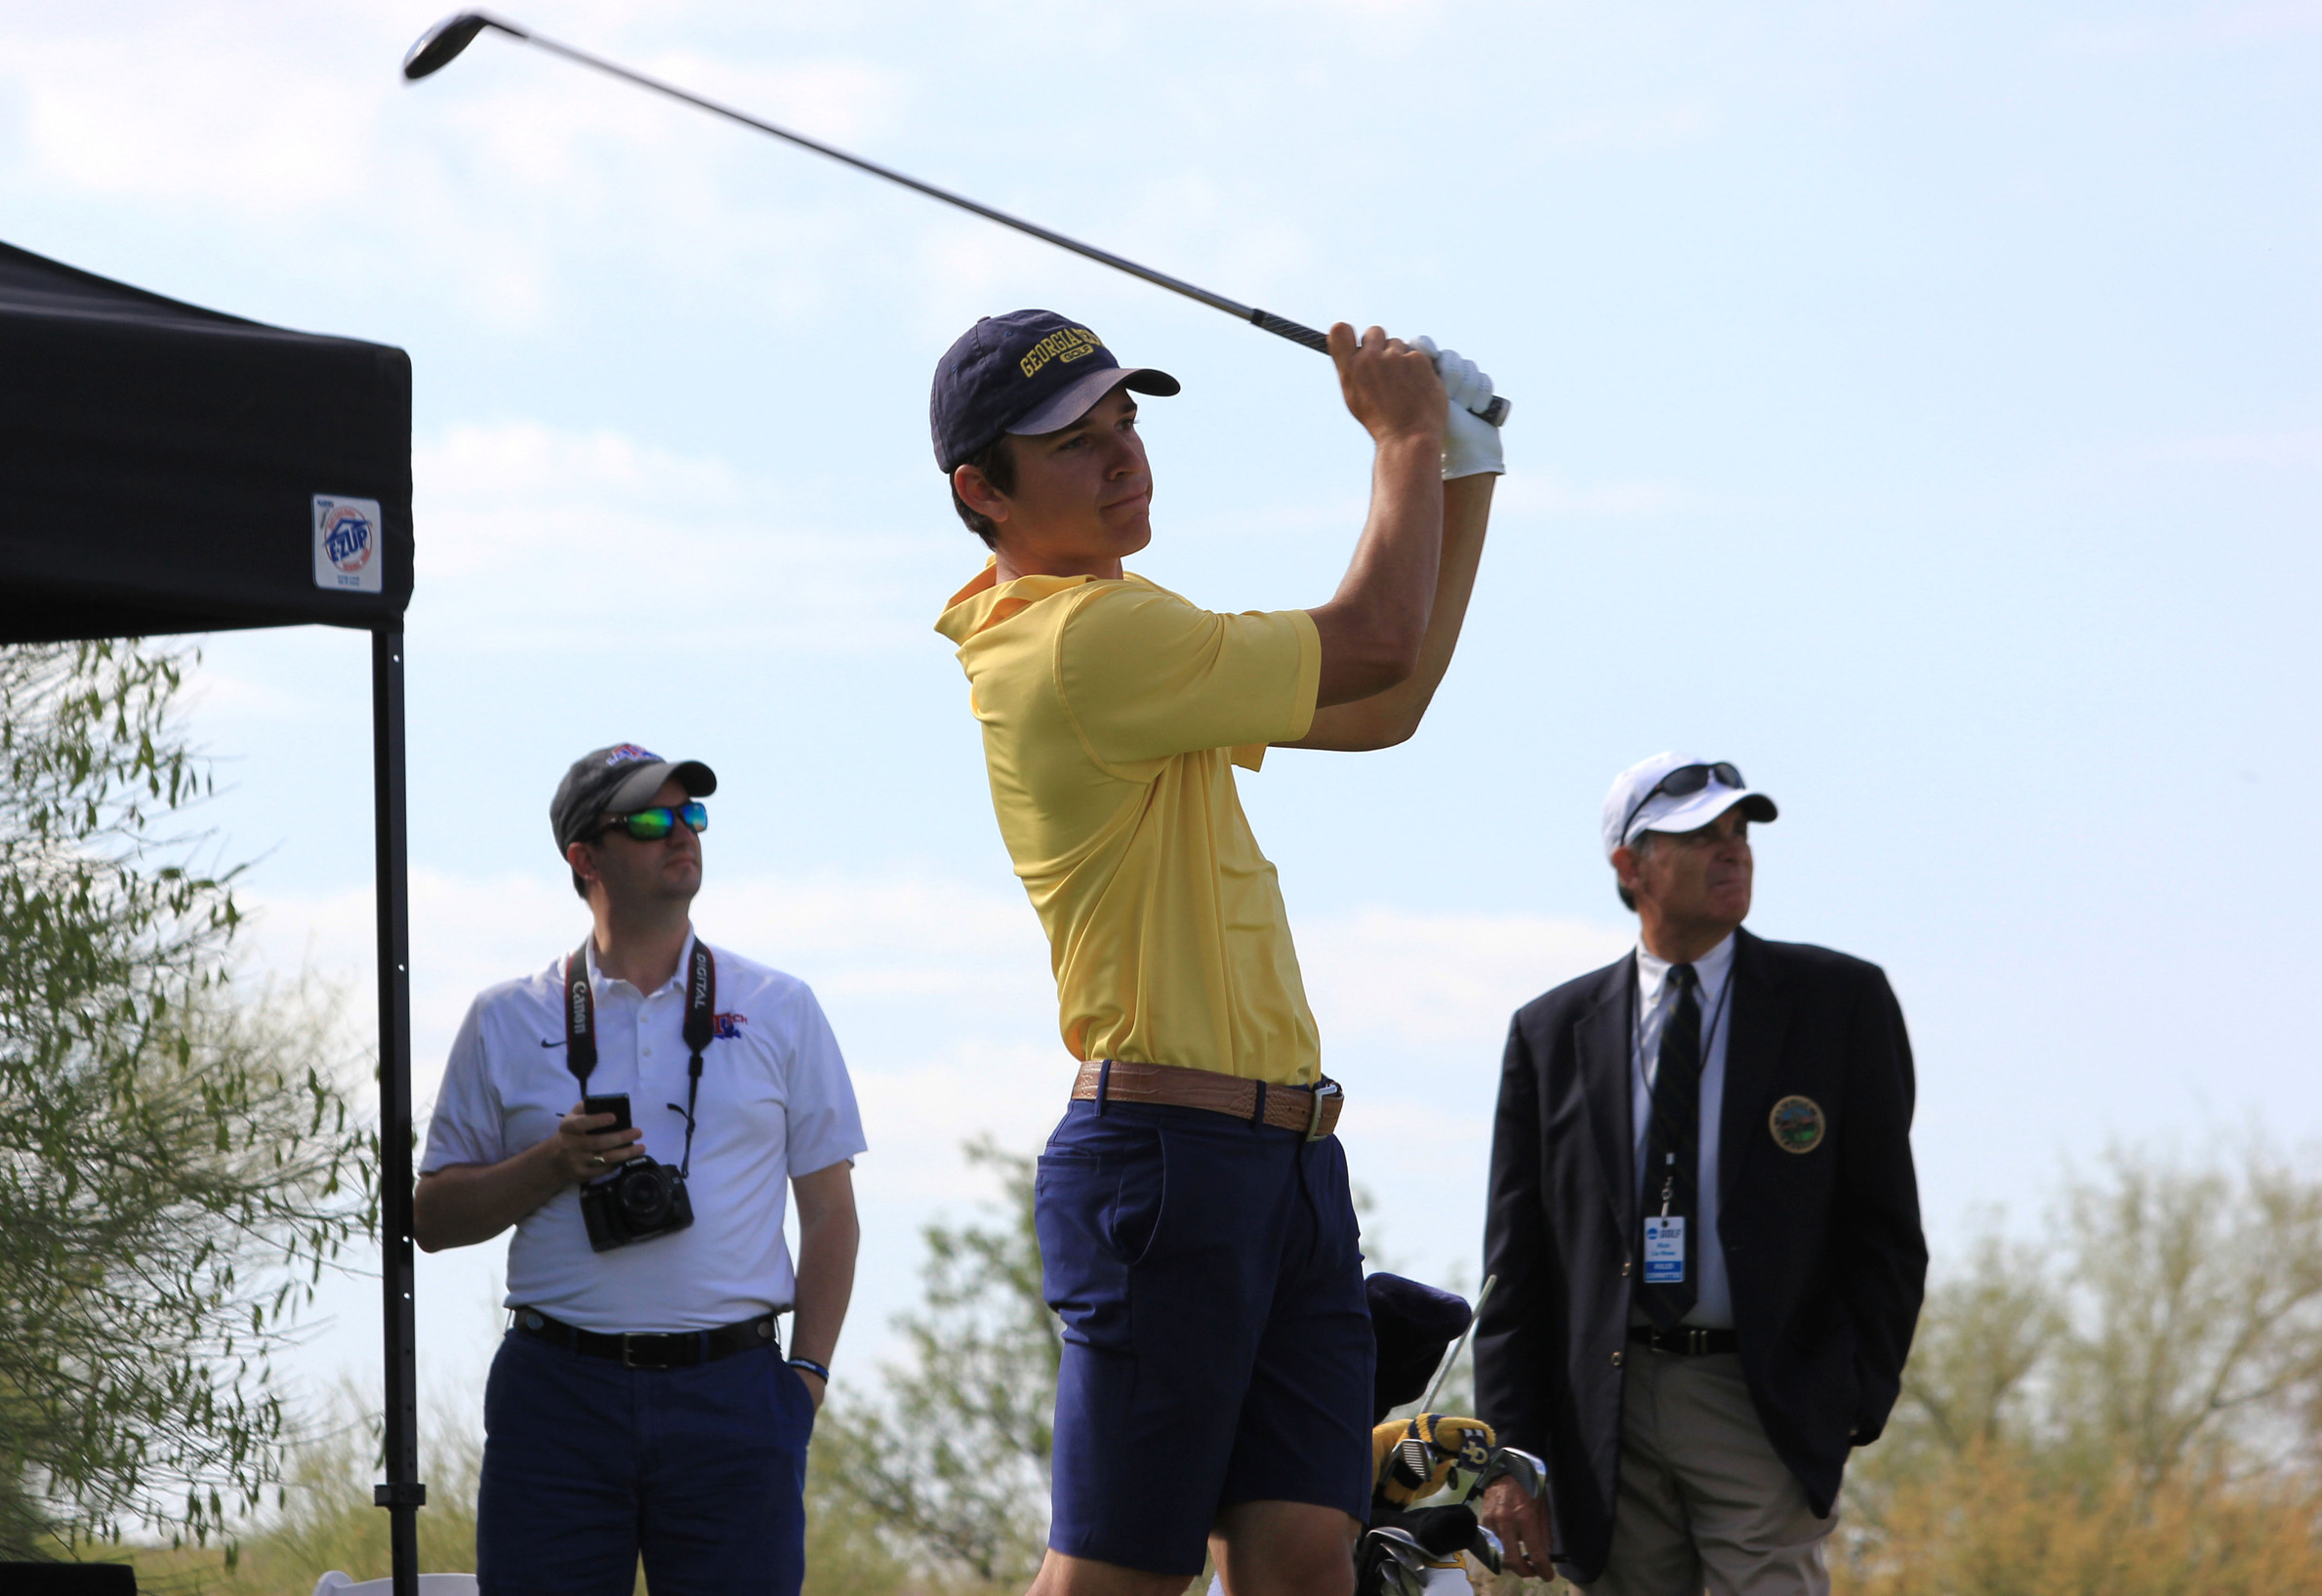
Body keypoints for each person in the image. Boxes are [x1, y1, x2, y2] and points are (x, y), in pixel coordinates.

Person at [929, 308, 1505, 1596]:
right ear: (983, 491)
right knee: (1116, 1577)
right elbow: (1372, 638)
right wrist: (1405, 435)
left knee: (1304, 1559)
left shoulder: (1126, 626)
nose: (1124, 455)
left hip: (1289, 1159)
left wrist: (1460, 469)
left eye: (1128, 422)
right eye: (1076, 443)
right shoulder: (1079, 641)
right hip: (1167, 1167)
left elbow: (1385, 704)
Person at [415, 744, 866, 1596]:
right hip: (558, 1396)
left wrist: (803, 1381)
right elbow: (433, 1218)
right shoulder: (506, 1017)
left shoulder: (781, 1006)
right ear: (584, 857)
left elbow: (833, 1213)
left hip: (735, 1393)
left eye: (691, 815)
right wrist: (554, 1161)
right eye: (652, 821)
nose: (681, 835)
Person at [1472, 753, 1928, 1593]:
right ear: (1630, 865)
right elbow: (1515, 1271)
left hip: (1761, 1398)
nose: (1734, 851)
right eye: (1700, 835)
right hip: (1602, 1415)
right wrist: (1507, 1459)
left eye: (1739, 831)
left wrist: (1848, 1398)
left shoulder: (1840, 1003)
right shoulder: (1550, 1032)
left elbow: (1886, 1231)